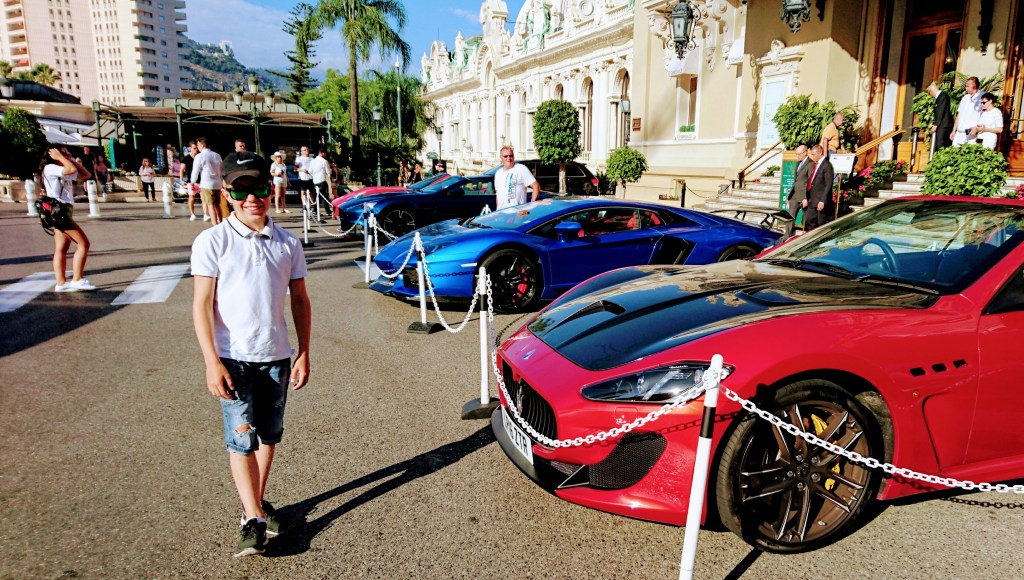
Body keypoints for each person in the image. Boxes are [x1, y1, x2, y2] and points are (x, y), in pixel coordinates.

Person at [191, 151, 311, 558]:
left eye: (258, 187)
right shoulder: (213, 241)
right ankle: (254, 519)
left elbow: (300, 300)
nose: (251, 198)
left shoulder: (288, 243)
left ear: (270, 188)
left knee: (269, 436)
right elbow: (201, 304)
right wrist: (211, 361)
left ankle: (254, 505)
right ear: (226, 192)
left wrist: (304, 352)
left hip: (276, 355)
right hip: (233, 358)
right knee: (241, 440)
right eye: (240, 189)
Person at [40, 148, 96, 292]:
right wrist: (62, 157)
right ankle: (77, 279)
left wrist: (70, 159)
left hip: (64, 210)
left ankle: (61, 283)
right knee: (83, 244)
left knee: (62, 248)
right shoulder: (50, 167)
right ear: (53, 154)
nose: (68, 154)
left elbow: (86, 175)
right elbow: (71, 169)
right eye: (64, 152)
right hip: (59, 211)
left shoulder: (63, 167)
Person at [494, 146, 539, 210]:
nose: (508, 158)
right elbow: (498, 195)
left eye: (511, 156)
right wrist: (497, 211)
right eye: (505, 156)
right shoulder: (498, 173)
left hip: (517, 213)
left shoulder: (521, 168)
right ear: (501, 158)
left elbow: (536, 187)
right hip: (501, 213)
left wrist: (530, 207)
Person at [192, 137, 224, 224]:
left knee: (210, 205)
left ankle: (214, 224)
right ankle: (221, 222)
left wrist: (192, 181)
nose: (197, 147)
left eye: (198, 145)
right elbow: (222, 170)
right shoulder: (217, 155)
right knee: (217, 204)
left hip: (206, 183)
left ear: (202, 145)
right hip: (217, 183)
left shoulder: (199, 156)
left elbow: (195, 170)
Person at [803, 144, 834, 231]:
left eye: (814, 154)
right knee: (809, 222)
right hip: (811, 199)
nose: (812, 156)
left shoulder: (826, 165)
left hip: (819, 200)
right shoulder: (815, 164)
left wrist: (822, 201)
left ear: (820, 153)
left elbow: (828, 184)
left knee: (820, 224)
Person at [786, 144, 812, 232]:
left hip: (804, 196)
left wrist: (806, 197)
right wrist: (790, 195)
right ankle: (787, 237)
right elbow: (796, 180)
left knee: (805, 220)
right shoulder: (798, 163)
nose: (797, 156)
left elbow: (810, 181)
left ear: (805, 153)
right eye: (796, 154)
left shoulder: (810, 164)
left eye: (799, 154)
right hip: (794, 195)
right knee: (789, 219)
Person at [952, 76, 983, 147]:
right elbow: (959, 114)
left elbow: (984, 115)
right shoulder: (965, 98)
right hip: (960, 133)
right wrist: (954, 130)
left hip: (971, 134)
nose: (966, 88)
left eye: (968, 86)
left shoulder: (982, 97)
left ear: (974, 86)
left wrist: (976, 128)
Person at [927, 82, 954, 151]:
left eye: (929, 93)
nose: (930, 95)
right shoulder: (941, 97)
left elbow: (940, 111)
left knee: (940, 145)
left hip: (944, 125)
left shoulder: (942, 96)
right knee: (939, 144)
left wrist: (936, 124)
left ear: (932, 90)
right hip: (942, 125)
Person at [181, 141, 200, 221]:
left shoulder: (200, 157)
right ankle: (192, 214)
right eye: (194, 148)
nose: (196, 150)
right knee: (191, 196)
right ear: (190, 148)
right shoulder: (186, 158)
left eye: (197, 148)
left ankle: (206, 214)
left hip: (201, 180)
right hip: (191, 181)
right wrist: (181, 180)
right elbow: (182, 169)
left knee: (204, 197)